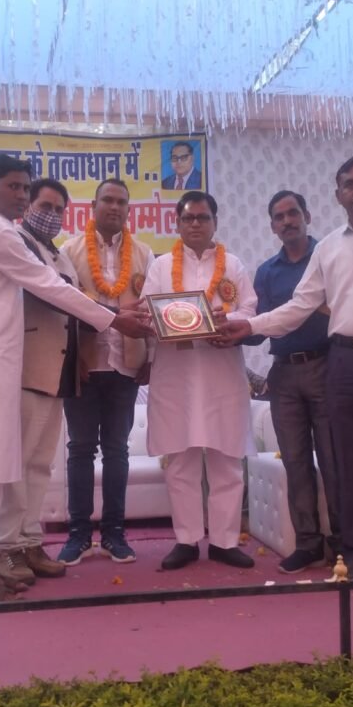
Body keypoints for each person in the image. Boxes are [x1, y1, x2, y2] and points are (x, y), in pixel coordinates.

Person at [0, 154, 151, 604]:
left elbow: (57, 286)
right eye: (13, 187)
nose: (21, 196)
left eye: (24, 188)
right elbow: (49, 287)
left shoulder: (5, 231)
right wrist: (114, 319)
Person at [215, 156, 353, 580]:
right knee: (351, 463)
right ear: (338, 194)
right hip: (345, 361)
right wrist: (250, 325)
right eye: (349, 184)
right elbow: (300, 306)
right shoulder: (329, 248)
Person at [142, 190, 257, 570]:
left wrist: (227, 319)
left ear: (215, 222)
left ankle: (225, 542)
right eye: (188, 218)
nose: (195, 224)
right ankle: (186, 540)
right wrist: (168, 321)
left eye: (202, 217)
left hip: (222, 371)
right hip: (175, 373)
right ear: (177, 224)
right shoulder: (161, 266)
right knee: (181, 460)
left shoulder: (233, 264)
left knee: (227, 458)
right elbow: (147, 311)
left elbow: (249, 308)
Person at [59, 179, 154, 565]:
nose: (115, 207)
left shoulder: (145, 254)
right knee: (80, 449)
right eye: (108, 200)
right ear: (93, 206)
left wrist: (151, 357)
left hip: (125, 364)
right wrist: (70, 359)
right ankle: (78, 534)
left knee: (117, 451)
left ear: (128, 209)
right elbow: (63, 308)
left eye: (122, 202)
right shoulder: (69, 251)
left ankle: (115, 534)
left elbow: (152, 308)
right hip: (85, 364)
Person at [0, 178, 80, 588]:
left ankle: (29, 541)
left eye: (60, 209)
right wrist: (114, 316)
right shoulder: (17, 242)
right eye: (46, 206)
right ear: (27, 205)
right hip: (27, 367)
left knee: (40, 465)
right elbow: (52, 294)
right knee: (18, 464)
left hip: (56, 370)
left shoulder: (56, 252)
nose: (53, 215)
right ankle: (4, 546)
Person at [249, 190, 340, 574]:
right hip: (283, 375)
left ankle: (342, 543)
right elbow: (258, 329)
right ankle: (308, 544)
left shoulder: (330, 257)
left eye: (292, 213)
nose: (287, 221)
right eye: (279, 216)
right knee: (296, 462)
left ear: (307, 215)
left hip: (327, 368)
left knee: (335, 461)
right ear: (272, 226)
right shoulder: (267, 272)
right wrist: (220, 326)